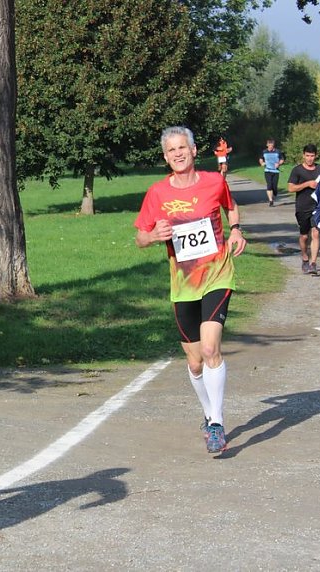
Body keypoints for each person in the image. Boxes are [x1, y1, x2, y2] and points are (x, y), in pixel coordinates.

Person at [134, 126, 247, 454]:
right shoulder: (157, 193)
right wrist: (154, 236)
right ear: (165, 156)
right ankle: (207, 413)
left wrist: (236, 230)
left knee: (211, 349)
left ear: (195, 150)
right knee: (195, 362)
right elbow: (140, 236)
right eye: (171, 150)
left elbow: (232, 207)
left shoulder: (215, 182)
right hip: (183, 285)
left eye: (182, 148)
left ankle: (216, 422)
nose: (177, 154)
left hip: (217, 274)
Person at [287, 143, 320, 276]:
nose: (310, 158)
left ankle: (313, 264)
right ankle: (305, 258)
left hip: (317, 206)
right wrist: (307, 184)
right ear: (303, 155)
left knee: (315, 233)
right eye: (308, 156)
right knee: (304, 236)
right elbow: (291, 188)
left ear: (316, 156)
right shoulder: (297, 170)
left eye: (312, 156)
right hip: (302, 206)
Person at [259, 138, 285, 207]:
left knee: (274, 186)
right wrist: (262, 163)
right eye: (269, 145)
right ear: (267, 145)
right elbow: (261, 159)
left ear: (273, 145)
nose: (270, 146)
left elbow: (282, 159)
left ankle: (275, 191)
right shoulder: (264, 152)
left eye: (271, 145)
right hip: (267, 170)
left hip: (275, 171)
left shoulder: (278, 151)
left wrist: (278, 164)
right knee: (269, 185)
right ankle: (271, 201)